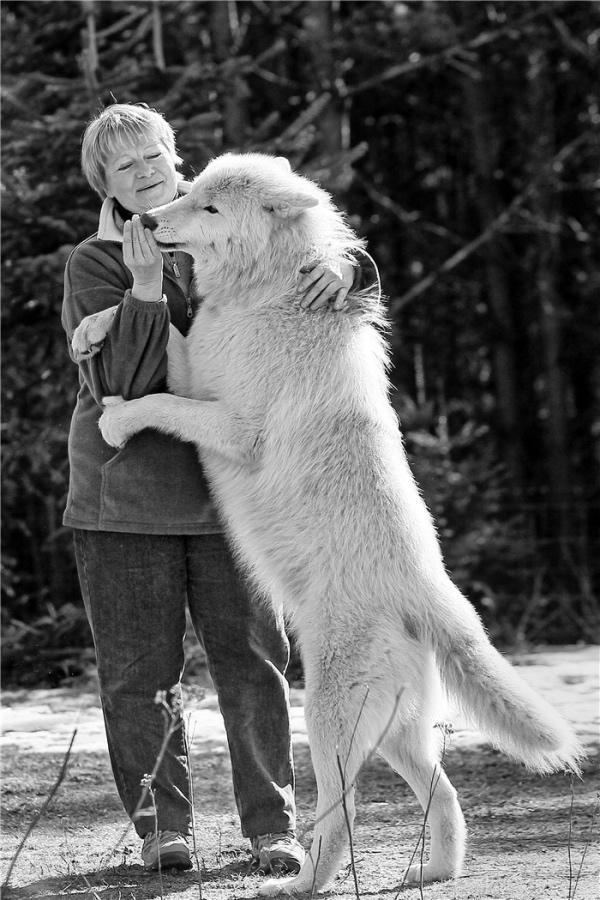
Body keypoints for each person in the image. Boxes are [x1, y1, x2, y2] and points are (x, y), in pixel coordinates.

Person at [61, 102, 359, 874]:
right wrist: (146, 284)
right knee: (139, 675)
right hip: (127, 500)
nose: (147, 172)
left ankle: (273, 828)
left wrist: (347, 267)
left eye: (154, 154)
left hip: (238, 493)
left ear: (174, 153)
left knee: (253, 661)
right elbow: (124, 384)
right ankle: (166, 832)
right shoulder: (96, 261)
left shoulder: (223, 211)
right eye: (125, 167)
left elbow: (315, 243)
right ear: (107, 185)